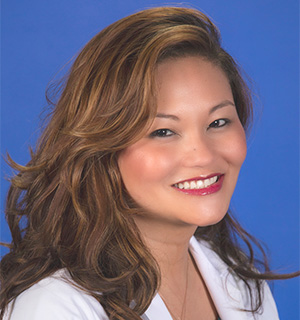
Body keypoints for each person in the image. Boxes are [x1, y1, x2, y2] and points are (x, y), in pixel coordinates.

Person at [0, 6, 298, 320]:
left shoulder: (243, 284)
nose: (204, 156)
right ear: (102, 149)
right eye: (163, 131)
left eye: (218, 122)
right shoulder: (54, 308)